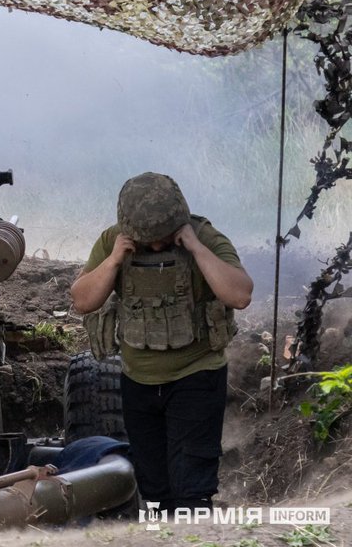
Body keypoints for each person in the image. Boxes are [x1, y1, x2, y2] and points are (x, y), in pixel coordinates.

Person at [70, 172, 253, 514]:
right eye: (146, 240)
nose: (155, 246)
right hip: (138, 380)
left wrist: (196, 248)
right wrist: (113, 260)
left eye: (163, 238)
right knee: (153, 489)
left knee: (191, 487)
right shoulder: (113, 240)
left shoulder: (204, 236)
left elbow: (239, 294)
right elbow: (83, 300)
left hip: (196, 377)